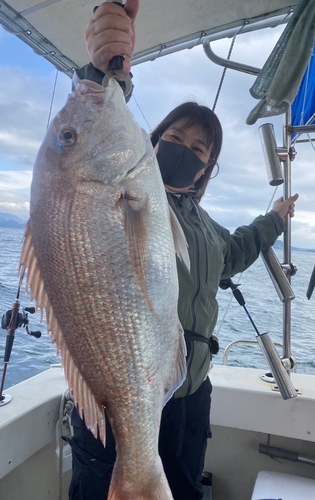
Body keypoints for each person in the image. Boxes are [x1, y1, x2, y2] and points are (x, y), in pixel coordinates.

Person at [68, 1, 299, 499]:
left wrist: (275, 219)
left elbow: (237, 251)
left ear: (205, 171)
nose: (184, 150)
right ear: (149, 143)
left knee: (183, 490)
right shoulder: (125, 194)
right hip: (119, 392)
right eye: (174, 137)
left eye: (199, 150)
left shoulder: (207, 229)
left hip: (191, 396)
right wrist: (106, 71)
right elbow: (95, 143)